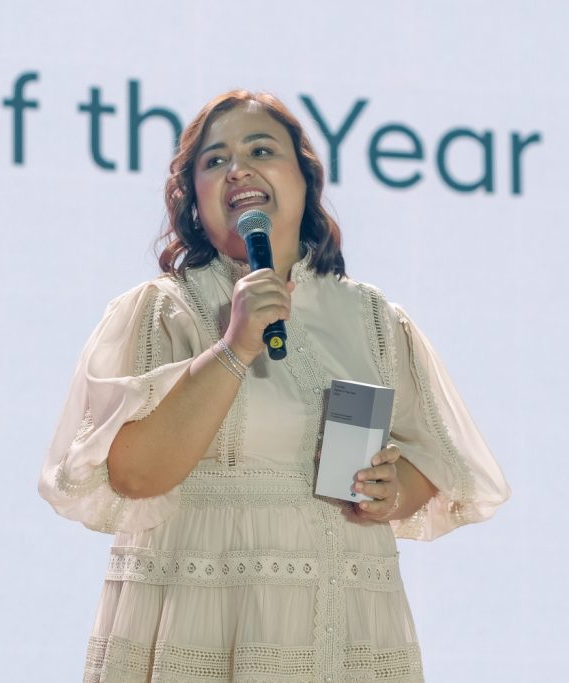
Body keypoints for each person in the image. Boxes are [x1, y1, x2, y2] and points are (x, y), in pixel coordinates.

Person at [38, 90, 510, 683]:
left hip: (349, 621)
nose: (238, 169)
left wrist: (393, 491)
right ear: (193, 199)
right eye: (215, 160)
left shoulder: (372, 317)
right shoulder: (162, 310)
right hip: (207, 616)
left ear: (305, 179)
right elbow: (134, 476)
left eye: (260, 150)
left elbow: (429, 462)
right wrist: (234, 348)